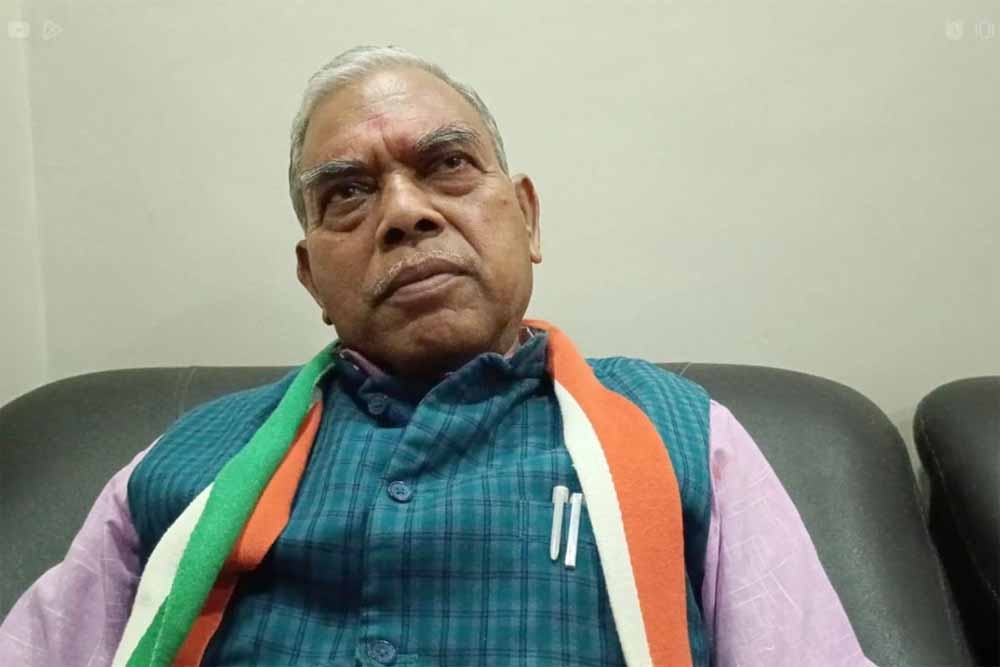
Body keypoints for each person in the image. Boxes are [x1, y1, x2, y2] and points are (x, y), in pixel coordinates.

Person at [0, 45, 876, 667]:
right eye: (348, 193)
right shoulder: (186, 463)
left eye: (448, 164)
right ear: (311, 276)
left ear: (527, 219)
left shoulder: (685, 438)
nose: (404, 213)